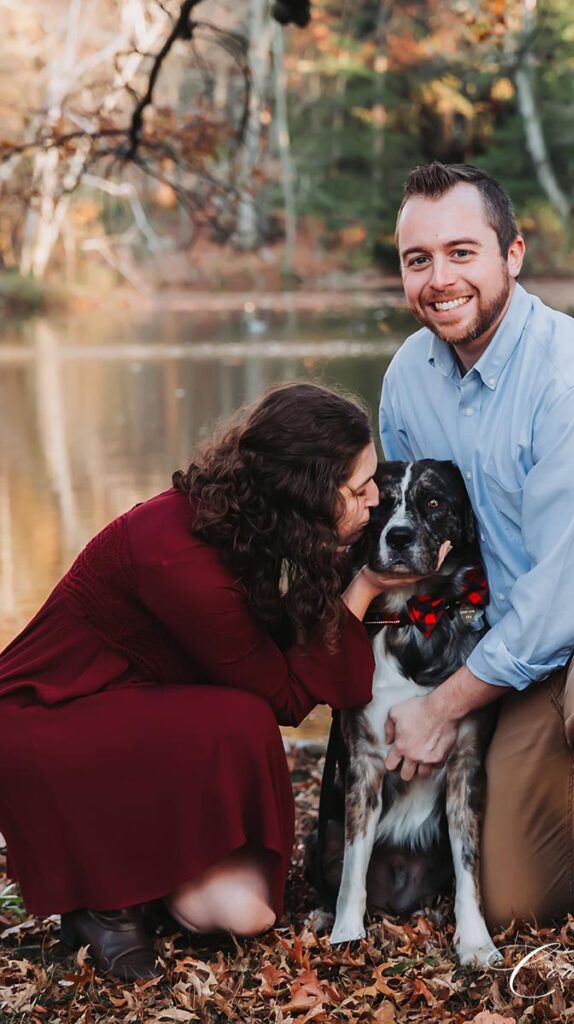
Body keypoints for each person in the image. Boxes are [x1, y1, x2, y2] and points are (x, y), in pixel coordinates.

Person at [0, 381, 418, 981]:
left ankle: (145, 874)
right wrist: (366, 588)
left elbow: (303, 668)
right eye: (359, 489)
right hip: (48, 722)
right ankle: (104, 904)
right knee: (243, 717)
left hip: (145, 718)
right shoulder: (180, 558)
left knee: (249, 914)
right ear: (303, 496)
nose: (377, 499)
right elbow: (287, 698)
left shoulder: (255, 526)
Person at [379, 161, 574, 968]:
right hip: (514, 622)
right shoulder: (410, 374)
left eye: (462, 252)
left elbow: (560, 606)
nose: (440, 280)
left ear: (512, 253)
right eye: (418, 260)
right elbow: (422, 547)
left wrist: (443, 708)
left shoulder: (572, 384)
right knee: (516, 901)